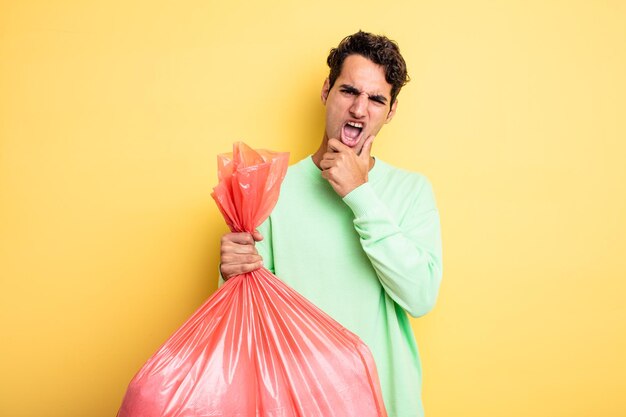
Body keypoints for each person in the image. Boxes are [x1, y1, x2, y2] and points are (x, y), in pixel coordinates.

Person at [219, 31, 443, 417]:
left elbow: (420, 296)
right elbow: (250, 319)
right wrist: (229, 273)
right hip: (298, 405)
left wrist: (360, 195)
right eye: (348, 91)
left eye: (376, 99)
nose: (359, 109)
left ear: (390, 113)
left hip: (385, 405)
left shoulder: (411, 190)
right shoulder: (272, 190)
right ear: (326, 91)